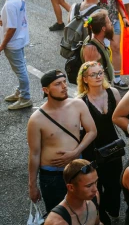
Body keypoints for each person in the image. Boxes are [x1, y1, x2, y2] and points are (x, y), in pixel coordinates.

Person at [27, 69, 97, 212]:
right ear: (46, 90)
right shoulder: (36, 119)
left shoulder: (78, 105)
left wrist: (75, 152)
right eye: (58, 84)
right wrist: (32, 186)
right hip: (52, 175)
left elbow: (92, 131)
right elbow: (34, 154)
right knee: (58, 214)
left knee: (84, 208)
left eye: (65, 82)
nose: (64, 86)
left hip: (77, 170)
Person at [77, 61, 123, 225]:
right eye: (93, 74)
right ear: (85, 79)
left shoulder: (113, 93)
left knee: (115, 184)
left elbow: (122, 116)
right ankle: (101, 215)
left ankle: (110, 207)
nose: (98, 77)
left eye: (100, 72)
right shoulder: (81, 101)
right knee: (96, 186)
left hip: (113, 147)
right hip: (92, 150)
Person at [41, 159, 105, 225]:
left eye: (96, 182)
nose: (95, 189)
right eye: (89, 186)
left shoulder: (94, 198)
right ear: (71, 187)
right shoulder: (57, 224)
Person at [0, 0, 32, 110]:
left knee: (19, 70)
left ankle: (25, 97)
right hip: (21, 38)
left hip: (13, 43)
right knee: (21, 67)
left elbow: (11, 28)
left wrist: (2, 46)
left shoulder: (9, 5)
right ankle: (21, 90)